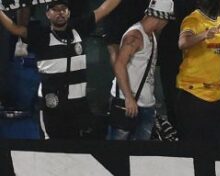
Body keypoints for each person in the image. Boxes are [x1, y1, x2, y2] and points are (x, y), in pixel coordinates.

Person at [0, 0, 124, 139]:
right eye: (55, 9)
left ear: (69, 12)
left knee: (77, 149)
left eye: (63, 9)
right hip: (52, 108)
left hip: (78, 106)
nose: (60, 13)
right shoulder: (40, 34)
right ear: (47, 14)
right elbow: (15, 29)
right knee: (50, 150)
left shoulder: (79, 27)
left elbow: (104, 9)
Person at [109, 0, 175, 141]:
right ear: (162, 18)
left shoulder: (151, 36)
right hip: (128, 105)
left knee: (141, 155)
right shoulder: (135, 36)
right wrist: (128, 98)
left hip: (146, 106)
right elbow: (119, 65)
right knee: (115, 152)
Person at [177, 0, 220, 143]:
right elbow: (183, 42)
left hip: (216, 96)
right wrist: (204, 35)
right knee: (193, 147)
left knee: (216, 146)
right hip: (194, 94)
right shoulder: (193, 19)